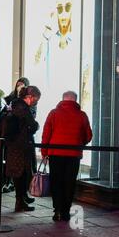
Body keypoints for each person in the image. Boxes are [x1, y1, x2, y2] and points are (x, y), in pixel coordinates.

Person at [41, 91, 92, 222]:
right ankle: (65, 211)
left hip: (56, 153)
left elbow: (46, 134)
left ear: (62, 100)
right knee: (69, 182)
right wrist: (79, 143)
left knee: (56, 181)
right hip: (73, 154)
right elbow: (88, 135)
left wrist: (44, 152)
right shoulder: (82, 115)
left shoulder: (53, 113)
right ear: (75, 101)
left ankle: (57, 210)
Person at [5, 86, 41, 212]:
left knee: (19, 173)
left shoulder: (13, 105)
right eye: (36, 99)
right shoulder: (23, 108)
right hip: (21, 145)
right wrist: (36, 126)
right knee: (21, 174)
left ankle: (21, 199)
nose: (36, 102)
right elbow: (32, 124)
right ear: (30, 97)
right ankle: (20, 202)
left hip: (13, 144)